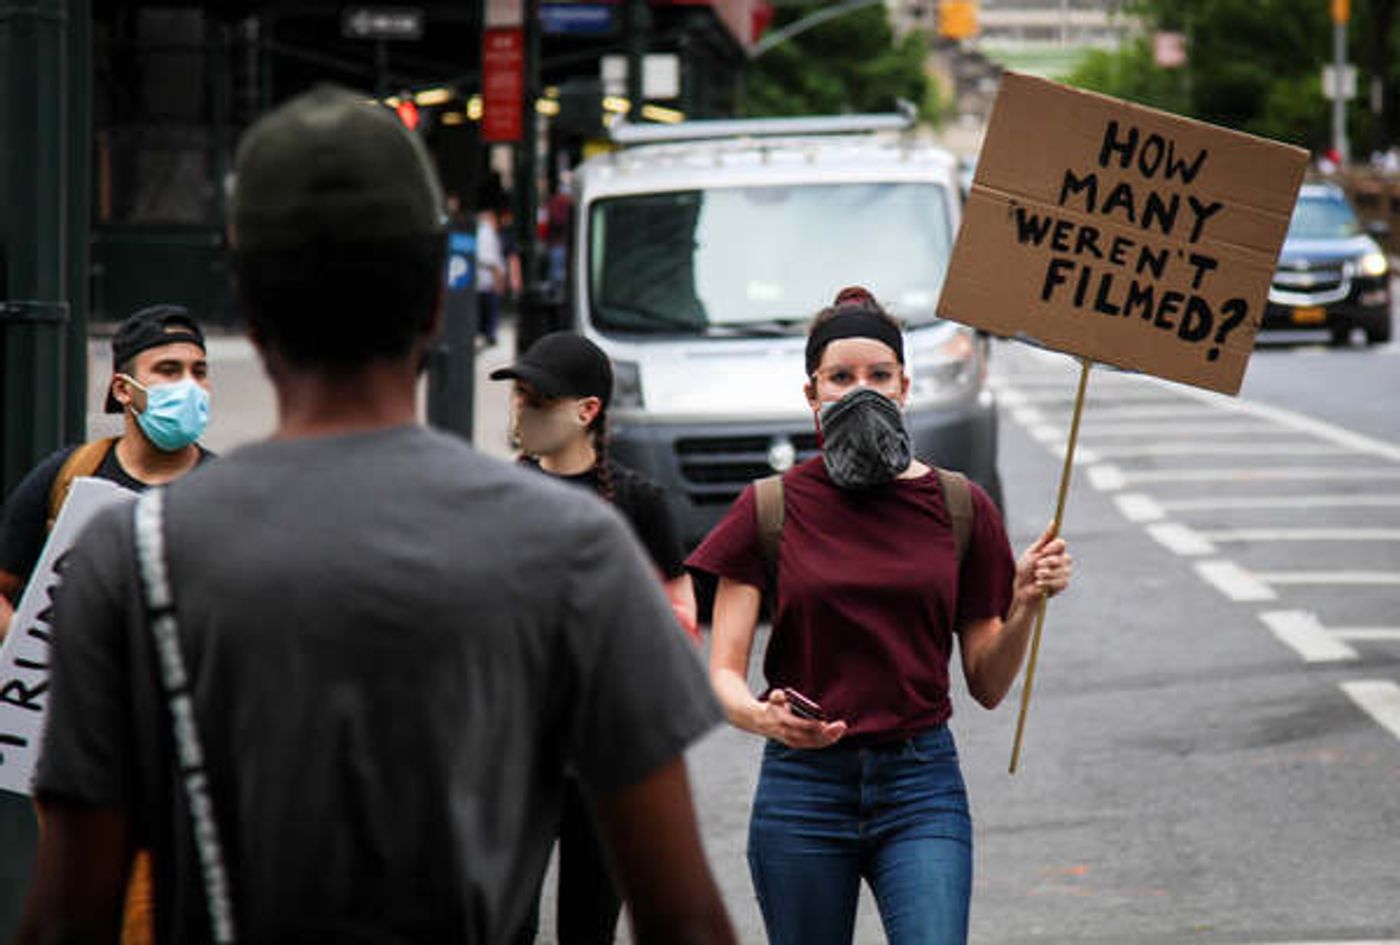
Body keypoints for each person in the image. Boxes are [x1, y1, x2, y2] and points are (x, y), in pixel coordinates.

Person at [18, 84, 735, 945]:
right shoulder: (577, 547)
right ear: (438, 302)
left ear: (246, 303)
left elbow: (67, 914)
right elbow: (683, 916)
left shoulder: (125, 558)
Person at [686, 287, 1073, 945]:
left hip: (920, 786)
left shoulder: (960, 505)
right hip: (802, 789)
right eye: (841, 377)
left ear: (904, 385)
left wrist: (1026, 603)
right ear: (812, 393)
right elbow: (721, 674)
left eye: (878, 375)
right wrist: (763, 717)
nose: (860, 390)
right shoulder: (768, 508)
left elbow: (986, 681)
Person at [491, 330, 700, 945]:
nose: (521, 411)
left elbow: (681, 606)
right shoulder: (497, 497)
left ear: (587, 412)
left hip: (605, 763)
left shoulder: (639, 501)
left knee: (589, 926)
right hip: (517, 759)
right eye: (518, 396)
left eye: (538, 399)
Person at [0, 304, 214, 643]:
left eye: (199, 372)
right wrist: (33, 654)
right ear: (123, 390)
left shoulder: (225, 489)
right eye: (168, 370)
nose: (189, 386)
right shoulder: (68, 475)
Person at [476, 200, 506, 348]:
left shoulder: (483, 232)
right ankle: (489, 335)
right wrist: (498, 279)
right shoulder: (486, 233)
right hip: (487, 281)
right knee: (490, 310)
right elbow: (491, 261)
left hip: (483, 280)